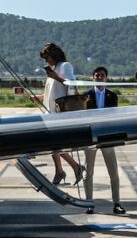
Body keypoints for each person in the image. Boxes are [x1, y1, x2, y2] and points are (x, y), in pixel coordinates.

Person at [32, 42, 84, 185]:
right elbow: (52, 91)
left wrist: (56, 77)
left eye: (47, 57)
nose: (46, 61)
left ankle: (71, 168)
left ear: (54, 55)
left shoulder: (65, 66)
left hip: (60, 113)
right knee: (52, 144)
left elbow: (71, 85)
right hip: (50, 112)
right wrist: (38, 97)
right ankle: (62, 171)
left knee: (54, 144)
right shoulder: (54, 69)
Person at [82, 66, 125, 215]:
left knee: (113, 172)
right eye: (97, 75)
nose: (99, 78)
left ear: (106, 78)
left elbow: (114, 117)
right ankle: (89, 203)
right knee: (88, 173)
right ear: (92, 77)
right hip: (91, 138)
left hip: (107, 138)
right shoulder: (85, 95)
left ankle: (117, 203)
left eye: (102, 75)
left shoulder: (112, 96)